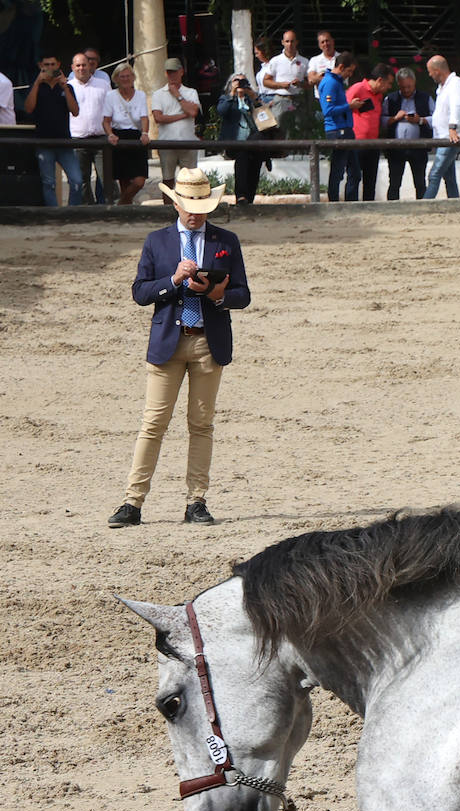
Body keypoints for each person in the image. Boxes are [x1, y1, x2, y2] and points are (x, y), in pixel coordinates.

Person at [108, 167, 250, 529]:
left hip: (207, 340)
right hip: (168, 341)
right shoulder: (157, 241)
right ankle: (132, 501)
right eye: (188, 204)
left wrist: (216, 294)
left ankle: (196, 501)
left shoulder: (226, 241)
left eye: (201, 204)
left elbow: (242, 295)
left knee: (201, 424)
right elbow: (140, 292)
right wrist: (172, 280)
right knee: (153, 423)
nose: (195, 212)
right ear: (176, 204)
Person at [24, 53, 83, 206]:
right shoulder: (36, 86)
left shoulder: (67, 87)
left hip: (64, 142)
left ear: (58, 65)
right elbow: (29, 109)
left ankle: (72, 212)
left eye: (52, 65)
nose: (50, 68)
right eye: (46, 65)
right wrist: (37, 83)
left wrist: (64, 87)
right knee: (48, 183)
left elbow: (75, 111)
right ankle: (53, 214)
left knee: (77, 180)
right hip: (43, 142)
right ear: (41, 66)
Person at [150, 57, 201, 201]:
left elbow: (193, 112)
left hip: (188, 142)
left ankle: (190, 209)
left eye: (174, 72)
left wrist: (177, 96)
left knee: (190, 181)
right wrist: (182, 115)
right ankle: (168, 211)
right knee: (168, 180)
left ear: (181, 72)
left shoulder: (191, 92)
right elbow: (158, 118)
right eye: (169, 72)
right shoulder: (158, 94)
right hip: (166, 143)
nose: (172, 75)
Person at [102, 63, 151, 205]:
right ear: (116, 79)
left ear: (133, 77)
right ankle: (126, 211)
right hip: (119, 137)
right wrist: (110, 134)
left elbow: (144, 117)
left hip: (136, 137)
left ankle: (120, 204)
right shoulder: (111, 96)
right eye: (122, 76)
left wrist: (145, 133)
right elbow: (106, 121)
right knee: (123, 179)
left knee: (139, 181)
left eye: (128, 76)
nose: (125, 79)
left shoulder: (140, 95)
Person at [381, 67, 433, 199]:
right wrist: (395, 118)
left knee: (420, 182)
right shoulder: (390, 99)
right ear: (398, 84)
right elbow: (381, 120)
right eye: (403, 87)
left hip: (419, 147)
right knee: (394, 182)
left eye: (409, 86)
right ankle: (392, 209)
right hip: (396, 148)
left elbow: (437, 118)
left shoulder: (425, 98)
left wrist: (420, 120)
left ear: (414, 83)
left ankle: (422, 207)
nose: (406, 90)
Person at [421, 55, 460, 199]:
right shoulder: (443, 87)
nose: (429, 74)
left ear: (437, 70)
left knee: (434, 175)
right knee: (449, 177)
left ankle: (423, 207)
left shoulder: (455, 83)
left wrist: (452, 128)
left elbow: (457, 106)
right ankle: (455, 204)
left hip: (450, 138)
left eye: (430, 71)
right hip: (443, 137)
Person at [216, 73, 268, 203]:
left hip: (254, 142)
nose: (240, 83)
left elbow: (265, 117)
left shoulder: (251, 100)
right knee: (243, 157)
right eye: (236, 80)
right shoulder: (226, 98)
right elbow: (222, 111)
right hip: (235, 143)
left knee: (256, 161)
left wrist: (254, 97)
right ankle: (241, 196)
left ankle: (249, 198)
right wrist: (232, 94)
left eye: (243, 81)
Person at [347, 63, 394, 200]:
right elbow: (342, 108)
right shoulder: (357, 88)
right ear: (380, 80)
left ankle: (369, 206)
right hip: (356, 143)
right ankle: (350, 207)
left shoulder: (379, 96)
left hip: (373, 144)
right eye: (388, 83)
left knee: (371, 180)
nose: (389, 87)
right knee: (354, 178)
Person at [68, 51, 110, 203]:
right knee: (81, 179)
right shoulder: (67, 87)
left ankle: (108, 208)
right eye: (78, 65)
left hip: (100, 138)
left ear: (90, 66)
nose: (81, 68)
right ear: (72, 67)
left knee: (106, 177)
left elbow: (110, 110)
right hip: (78, 139)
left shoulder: (103, 85)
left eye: (84, 65)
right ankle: (88, 209)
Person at [319, 51, 361, 202]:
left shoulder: (336, 82)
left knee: (354, 171)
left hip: (345, 129)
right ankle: (334, 201)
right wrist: (349, 106)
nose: (349, 75)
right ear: (341, 67)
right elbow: (328, 110)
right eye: (349, 71)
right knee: (338, 169)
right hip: (337, 130)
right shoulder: (330, 82)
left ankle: (350, 201)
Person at [262, 30, 308, 113]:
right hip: (281, 99)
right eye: (287, 41)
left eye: (292, 41)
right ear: (282, 42)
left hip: (298, 99)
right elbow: (265, 81)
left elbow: (310, 83)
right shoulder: (275, 60)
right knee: (281, 125)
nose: (290, 44)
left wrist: (300, 84)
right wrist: (280, 85)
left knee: (300, 125)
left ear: (296, 42)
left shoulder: (304, 61)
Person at [307, 30, 338, 97]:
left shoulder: (341, 57)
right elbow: (311, 79)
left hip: (339, 99)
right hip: (321, 99)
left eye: (327, 41)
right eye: (322, 42)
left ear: (333, 41)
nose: (325, 44)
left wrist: (321, 76)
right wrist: (333, 76)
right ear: (319, 45)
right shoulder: (314, 60)